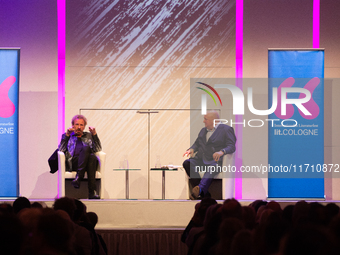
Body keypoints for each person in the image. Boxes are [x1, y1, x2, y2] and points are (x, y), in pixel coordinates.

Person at [183, 111, 236, 200]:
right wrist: (191, 149)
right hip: (201, 159)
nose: (203, 121)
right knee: (187, 163)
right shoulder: (203, 131)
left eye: (205, 119)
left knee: (212, 167)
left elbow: (231, 146)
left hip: (215, 162)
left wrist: (221, 152)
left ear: (213, 120)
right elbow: (197, 143)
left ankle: (199, 191)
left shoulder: (226, 129)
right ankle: (203, 192)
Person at [58, 114, 102, 199]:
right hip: (74, 162)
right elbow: (61, 150)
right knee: (89, 153)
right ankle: (91, 191)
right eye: (77, 124)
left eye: (81, 125)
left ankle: (79, 178)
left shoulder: (89, 136)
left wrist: (94, 135)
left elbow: (98, 149)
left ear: (84, 126)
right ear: (73, 125)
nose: (79, 127)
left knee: (92, 156)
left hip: (89, 164)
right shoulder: (67, 135)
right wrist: (67, 135)